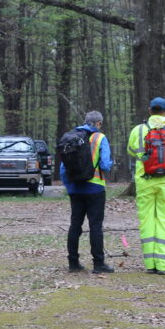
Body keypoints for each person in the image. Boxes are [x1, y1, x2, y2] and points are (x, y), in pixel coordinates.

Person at [126, 97, 165, 274]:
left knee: (147, 222)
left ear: (149, 110)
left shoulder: (138, 130)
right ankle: (162, 265)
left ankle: (150, 265)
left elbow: (132, 151)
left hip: (144, 181)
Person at [60, 110, 114, 274]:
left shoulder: (71, 137)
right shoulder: (100, 138)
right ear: (98, 123)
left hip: (75, 189)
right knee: (95, 225)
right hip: (95, 188)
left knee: (75, 224)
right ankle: (98, 264)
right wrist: (110, 163)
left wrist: (69, 186)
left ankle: (73, 263)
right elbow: (104, 165)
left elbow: (63, 169)